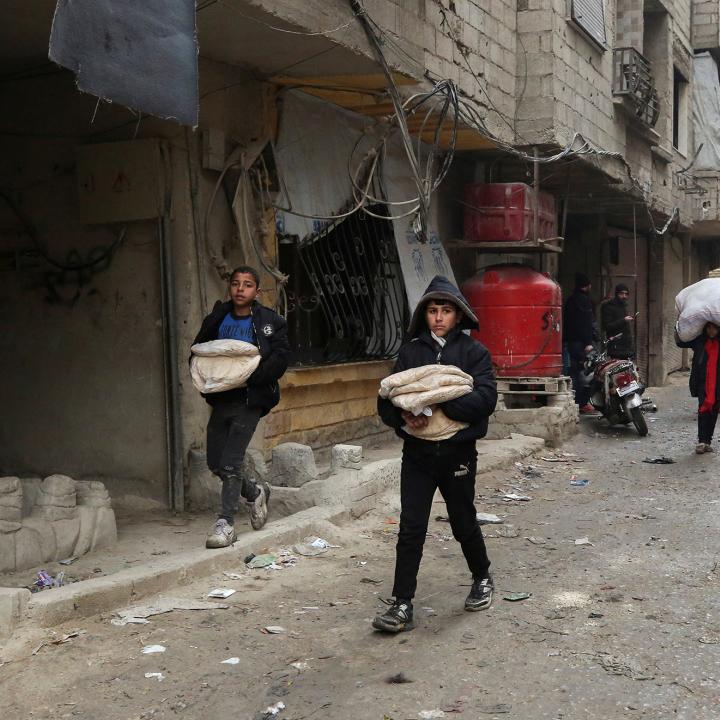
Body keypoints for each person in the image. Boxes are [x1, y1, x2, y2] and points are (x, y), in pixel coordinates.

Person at [373, 276, 498, 633]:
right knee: (411, 528)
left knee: (462, 521)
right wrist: (404, 415)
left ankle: (482, 577)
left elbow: (484, 401)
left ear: (458, 315)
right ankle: (401, 603)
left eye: (445, 311)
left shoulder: (475, 354)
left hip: (458, 453)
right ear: (424, 315)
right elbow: (385, 401)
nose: (439, 317)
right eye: (432, 310)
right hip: (417, 455)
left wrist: (435, 399)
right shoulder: (410, 353)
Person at [191, 266, 290, 547]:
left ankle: (226, 523)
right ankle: (255, 492)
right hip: (222, 398)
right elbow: (199, 350)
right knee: (215, 462)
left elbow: (281, 357)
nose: (240, 289)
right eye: (235, 284)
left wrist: (252, 379)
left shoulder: (270, 321)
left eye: (247, 285)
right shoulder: (218, 317)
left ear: (256, 292)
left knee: (232, 461)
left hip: (251, 400)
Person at [675, 321, 720, 454]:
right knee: (703, 408)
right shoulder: (699, 341)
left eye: (714, 329)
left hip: (717, 383)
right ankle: (701, 440)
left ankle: (708, 441)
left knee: (714, 410)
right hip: (702, 381)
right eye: (709, 328)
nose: (711, 331)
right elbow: (680, 343)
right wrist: (678, 327)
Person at [563, 273, 597, 413]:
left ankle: (574, 401)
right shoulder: (584, 301)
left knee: (573, 371)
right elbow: (585, 323)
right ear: (588, 285)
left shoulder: (571, 300)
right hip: (580, 343)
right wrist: (588, 342)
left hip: (569, 341)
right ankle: (581, 403)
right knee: (585, 372)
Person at [601, 284, 635, 359]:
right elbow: (607, 326)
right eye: (621, 293)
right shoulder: (608, 307)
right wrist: (623, 320)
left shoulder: (624, 306)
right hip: (615, 347)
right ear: (617, 294)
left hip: (626, 347)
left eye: (626, 294)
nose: (624, 296)